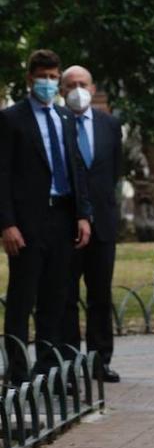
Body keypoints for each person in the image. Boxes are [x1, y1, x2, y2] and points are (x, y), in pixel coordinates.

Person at [1, 49, 92, 384]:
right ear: (30, 79)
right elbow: (4, 174)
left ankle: (48, 370)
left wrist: (83, 215)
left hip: (64, 218)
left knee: (56, 297)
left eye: (54, 77)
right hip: (26, 223)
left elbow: (77, 169)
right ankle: (18, 373)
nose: (49, 83)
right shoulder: (12, 119)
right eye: (44, 77)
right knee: (22, 299)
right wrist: (7, 223)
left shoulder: (65, 117)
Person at [60, 65, 123, 383]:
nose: (77, 89)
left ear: (92, 86)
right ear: (62, 90)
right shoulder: (57, 124)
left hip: (104, 225)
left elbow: (113, 172)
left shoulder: (110, 125)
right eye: (70, 84)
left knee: (100, 295)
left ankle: (101, 361)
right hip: (66, 226)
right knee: (67, 295)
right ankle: (70, 364)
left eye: (82, 83)